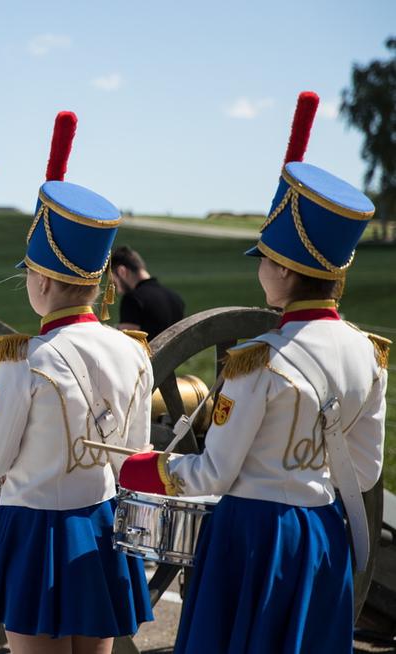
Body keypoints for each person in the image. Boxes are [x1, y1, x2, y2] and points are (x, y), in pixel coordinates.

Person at [119, 91, 388, 653]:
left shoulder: (256, 361)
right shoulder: (368, 354)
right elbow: (361, 472)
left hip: (253, 540)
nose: (261, 268)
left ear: (285, 272)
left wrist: (147, 469)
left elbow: (213, 475)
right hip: (320, 538)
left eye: (265, 258)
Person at [0, 111, 154, 654]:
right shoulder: (134, 352)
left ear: (40, 277)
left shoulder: (25, 361)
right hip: (103, 525)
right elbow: (132, 457)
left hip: (36, 530)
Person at [110, 245, 184, 339]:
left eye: (115, 283)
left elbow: (127, 342)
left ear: (122, 271)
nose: (119, 291)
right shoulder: (176, 298)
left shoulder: (132, 299)